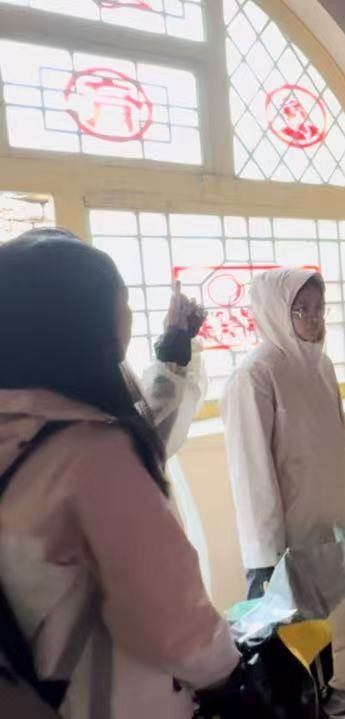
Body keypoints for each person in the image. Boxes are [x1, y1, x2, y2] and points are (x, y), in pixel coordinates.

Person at [0, 229, 240, 717]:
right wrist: (232, 674)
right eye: (122, 300)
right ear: (81, 322)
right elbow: (175, 623)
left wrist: (174, 348)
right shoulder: (92, 455)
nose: (128, 314)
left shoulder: (29, 426)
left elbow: (150, 424)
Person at [222, 268, 345, 715]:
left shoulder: (320, 364)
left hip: (318, 520)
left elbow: (337, 442)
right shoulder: (255, 376)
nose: (313, 318)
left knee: (313, 617)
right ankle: (286, 709)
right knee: (277, 633)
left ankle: (321, 692)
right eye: (301, 309)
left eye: (319, 308)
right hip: (278, 532)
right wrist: (267, 547)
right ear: (275, 312)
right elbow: (251, 470)